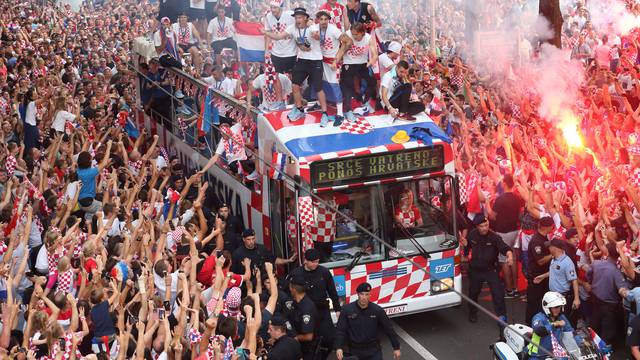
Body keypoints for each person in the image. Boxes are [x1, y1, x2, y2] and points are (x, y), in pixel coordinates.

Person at [263, 7, 331, 125]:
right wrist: (265, 32)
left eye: (300, 17)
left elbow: (318, 36)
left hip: (315, 61)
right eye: (296, 18)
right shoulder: (292, 28)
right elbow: (279, 36)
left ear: (305, 18)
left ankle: (325, 113)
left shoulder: (312, 27)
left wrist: (315, 34)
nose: (297, 20)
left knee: (318, 88)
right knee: (295, 85)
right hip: (303, 60)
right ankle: (299, 109)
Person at [461, 214, 513, 324]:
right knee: (473, 293)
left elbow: (504, 247)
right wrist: (465, 245)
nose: (485, 228)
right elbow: (468, 247)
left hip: (491, 270)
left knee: (498, 295)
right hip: (475, 270)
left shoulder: (494, 237)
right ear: (477, 226)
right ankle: (472, 313)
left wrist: (510, 255)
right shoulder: (472, 234)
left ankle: (502, 318)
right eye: (482, 226)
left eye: (486, 225)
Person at [289, 248, 341, 360]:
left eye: (317, 261)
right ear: (305, 261)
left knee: (330, 339)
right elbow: (290, 292)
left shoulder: (324, 272)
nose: (315, 264)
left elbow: (332, 291)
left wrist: (337, 309)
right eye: (313, 262)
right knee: (308, 341)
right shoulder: (296, 273)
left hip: (322, 311)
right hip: (304, 312)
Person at [334, 282, 401, 360]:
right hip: (355, 351)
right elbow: (340, 330)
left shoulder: (377, 310)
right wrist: (338, 347)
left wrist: (396, 347)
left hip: (373, 350)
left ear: (370, 295)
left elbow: (389, 329)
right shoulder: (347, 310)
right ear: (357, 294)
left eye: (367, 294)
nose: (364, 297)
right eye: (362, 294)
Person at [485, 174, 524, 298]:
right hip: (515, 231)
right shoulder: (517, 198)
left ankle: (509, 290)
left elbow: (492, 216)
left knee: (504, 260)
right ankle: (515, 287)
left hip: (503, 233)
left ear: (505, 184)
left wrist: (487, 203)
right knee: (513, 259)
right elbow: (520, 214)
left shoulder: (500, 199)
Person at [334, 22, 378, 121]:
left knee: (372, 82)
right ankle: (348, 110)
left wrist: (371, 62)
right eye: (352, 34)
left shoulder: (368, 38)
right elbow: (341, 49)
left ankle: (365, 102)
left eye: (356, 34)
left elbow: (375, 54)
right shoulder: (347, 35)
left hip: (363, 63)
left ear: (362, 32)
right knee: (347, 85)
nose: (353, 36)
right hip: (349, 63)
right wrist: (336, 61)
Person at [588, 242, 628, 348]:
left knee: (594, 325)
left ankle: (591, 347)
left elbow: (589, 275)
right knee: (607, 331)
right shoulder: (616, 272)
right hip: (610, 306)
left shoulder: (596, 264)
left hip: (595, 299)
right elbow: (622, 290)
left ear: (608, 253)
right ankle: (605, 352)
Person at [533, 239, 580, 325]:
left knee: (564, 322)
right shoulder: (554, 258)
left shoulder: (567, 263)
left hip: (562, 297)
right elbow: (554, 271)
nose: (549, 248)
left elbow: (574, 280)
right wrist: (543, 276)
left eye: (550, 247)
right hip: (553, 295)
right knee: (553, 320)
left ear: (556, 248)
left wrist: (576, 299)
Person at [314, 10, 344, 126]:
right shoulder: (315, 28)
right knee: (319, 83)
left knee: (335, 86)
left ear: (329, 20)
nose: (323, 21)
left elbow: (347, 41)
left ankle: (340, 114)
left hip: (332, 63)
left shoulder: (334, 30)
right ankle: (319, 103)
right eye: (321, 19)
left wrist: (337, 59)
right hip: (320, 61)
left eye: (325, 19)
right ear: (318, 20)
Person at [527, 292, 574, 360]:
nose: (558, 309)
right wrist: (554, 324)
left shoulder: (561, 317)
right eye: (555, 307)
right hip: (538, 356)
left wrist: (582, 342)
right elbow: (539, 331)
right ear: (547, 307)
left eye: (560, 307)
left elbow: (571, 332)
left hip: (556, 354)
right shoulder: (538, 317)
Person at [526, 216, 554, 325]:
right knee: (534, 302)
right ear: (547, 227)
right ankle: (530, 324)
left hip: (543, 276)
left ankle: (539, 323)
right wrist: (553, 254)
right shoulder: (536, 241)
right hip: (536, 276)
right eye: (552, 227)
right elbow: (541, 261)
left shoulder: (543, 237)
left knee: (541, 301)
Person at [231, 228, 295, 275]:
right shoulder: (237, 253)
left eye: (253, 239)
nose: (251, 242)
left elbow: (274, 259)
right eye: (248, 239)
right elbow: (233, 273)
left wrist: (288, 260)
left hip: (261, 282)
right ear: (243, 239)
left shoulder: (262, 249)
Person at [286, 273, 320, 360]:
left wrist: (293, 338)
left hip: (308, 351)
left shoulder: (306, 308)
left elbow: (308, 336)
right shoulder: (295, 303)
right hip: (298, 348)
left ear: (293, 289)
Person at [263, 1, 297, 74]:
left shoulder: (290, 15)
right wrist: (266, 50)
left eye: (275, 7)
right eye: (271, 7)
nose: (272, 10)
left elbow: (300, 24)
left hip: (290, 52)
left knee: (291, 77)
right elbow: (268, 34)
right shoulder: (268, 16)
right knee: (278, 77)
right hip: (276, 53)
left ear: (280, 7)